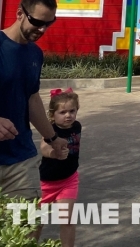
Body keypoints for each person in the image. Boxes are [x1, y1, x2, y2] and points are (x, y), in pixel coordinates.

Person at [0, 0, 68, 198]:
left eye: (48, 23)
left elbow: (32, 98)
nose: (42, 29)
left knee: (29, 222)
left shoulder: (35, 54)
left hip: (21, 156)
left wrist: (52, 137)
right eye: (37, 21)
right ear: (20, 13)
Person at [38, 89, 82, 247]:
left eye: (72, 111)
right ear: (52, 114)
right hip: (46, 184)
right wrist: (53, 153)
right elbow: (43, 146)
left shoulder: (77, 126)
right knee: (36, 221)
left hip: (69, 180)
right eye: (62, 112)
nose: (68, 115)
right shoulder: (51, 131)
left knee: (67, 220)